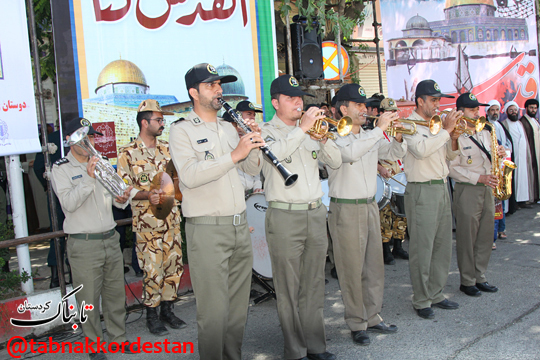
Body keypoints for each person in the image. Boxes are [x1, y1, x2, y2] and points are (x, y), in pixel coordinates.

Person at [169, 63, 263, 360]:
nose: (219, 90)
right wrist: (234, 154)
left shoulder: (228, 127)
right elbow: (191, 175)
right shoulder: (181, 130)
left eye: (219, 84)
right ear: (194, 92)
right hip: (207, 229)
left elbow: (250, 168)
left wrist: (254, 144)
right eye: (211, 85)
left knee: (237, 311)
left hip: (238, 226)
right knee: (213, 313)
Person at [261, 74, 341, 360]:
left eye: (300, 98)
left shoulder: (310, 130)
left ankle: (316, 345)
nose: (298, 102)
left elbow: (335, 162)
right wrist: (302, 130)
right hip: (285, 216)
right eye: (291, 98)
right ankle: (294, 350)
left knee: (314, 284)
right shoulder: (265, 131)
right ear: (275, 102)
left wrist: (324, 136)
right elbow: (272, 155)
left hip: (315, 213)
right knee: (289, 289)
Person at [327, 84, 406, 346]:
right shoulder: (333, 135)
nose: (365, 109)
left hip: (371, 205)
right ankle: (356, 322)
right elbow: (350, 153)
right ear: (343, 108)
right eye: (358, 104)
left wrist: (398, 137)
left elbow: (391, 155)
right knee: (351, 269)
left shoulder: (371, 135)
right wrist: (381, 130)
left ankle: (373, 316)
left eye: (364, 104)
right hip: (346, 207)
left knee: (374, 266)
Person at [51, 117, 133, 357]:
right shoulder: (61, 168)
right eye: (82, 136)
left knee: (115, 295)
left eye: (90, 136)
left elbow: (120, 200)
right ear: (69, 139)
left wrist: (122, 198)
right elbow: (68, 203)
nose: (88, 141)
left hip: (109, 238)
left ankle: (118, 338)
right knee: (87, 299)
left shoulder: (102, 162)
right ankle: (94, 346)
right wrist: (88, 177)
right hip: (84, 243)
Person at [117, 99, 185, 336]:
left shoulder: (168, 149)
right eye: (158, 120)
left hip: (172, 222)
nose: (162, 123)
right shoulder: (127, 153)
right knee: (152, 270)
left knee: (173, 267)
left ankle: (168, 310)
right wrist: (147, 194)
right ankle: (152, 315)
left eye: (162, 119)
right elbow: (122, 189)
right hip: (148, 225)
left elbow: (177, 180)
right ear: (144, 122)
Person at [402, 79, 462, 319]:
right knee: (422, 247)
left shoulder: (436, 125)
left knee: (442, 244)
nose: (438, 105)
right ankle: (421, 298)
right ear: (420, 101)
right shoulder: (409, 124)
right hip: (421, 189)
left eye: (439, 100)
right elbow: (421, 150)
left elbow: (450, 156)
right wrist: (447, 131)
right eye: (434, 100)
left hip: (441, 186)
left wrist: (454, 137)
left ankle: (436, 293)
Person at [448, 92, 504, 297]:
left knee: (486, 235)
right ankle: (467, 280)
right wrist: (479, 178)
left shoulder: (486, 130)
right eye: (472, 109)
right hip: (468, 189)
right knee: (467, 237)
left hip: (487, 188)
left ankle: (481, 276)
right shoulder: (455, 135)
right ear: (460, 112)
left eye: (477, 109)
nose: (477, 112)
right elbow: (451, 169)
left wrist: (500, 152)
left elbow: (492, 154)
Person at [377, 98, 409, 264]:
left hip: (399, 175)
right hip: (385, 176)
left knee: (401, 214)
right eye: (389, 111)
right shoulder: (375, 131)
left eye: (395, 111)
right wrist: (379, 168)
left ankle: (398, 246)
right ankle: (385, 251)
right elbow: (369, 155)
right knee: (386, 216)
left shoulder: (398, 129)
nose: (393, 114)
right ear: (381, 113)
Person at [485, 100, 511, 245]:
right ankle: (492, 238)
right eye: (492, 110)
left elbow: (504, 144)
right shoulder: (485, 126)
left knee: (501, 201)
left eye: (496, 110)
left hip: (500, 167)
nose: (495, 112)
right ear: (487, 111)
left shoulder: (499, 125)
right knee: (494, 205)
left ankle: (502, 229)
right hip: (490, 170)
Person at [222, 111, 263, 194]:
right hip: (233, 194)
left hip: (250, 194)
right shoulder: (223, 145)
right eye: (234, 125)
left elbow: (255, 171)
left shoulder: (247, 141)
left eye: (239, 125)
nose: (238, 128)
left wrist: (257, 187)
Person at [500, 101, 532, 207]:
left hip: (523, 156)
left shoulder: (520, 123)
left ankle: (523, 200)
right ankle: (515, 202)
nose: (514, 112)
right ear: (507, 112)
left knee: (523, 177)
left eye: (515, 110)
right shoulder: (504, 124)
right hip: (513, 157)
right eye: (511, 110)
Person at [519, 98, 540, 202]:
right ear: (526, 108)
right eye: (531, 108)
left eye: (535, 108)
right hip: (531, 153)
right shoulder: (523, 121)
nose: (533, 110)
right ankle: (534, 196)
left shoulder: (535, 120)